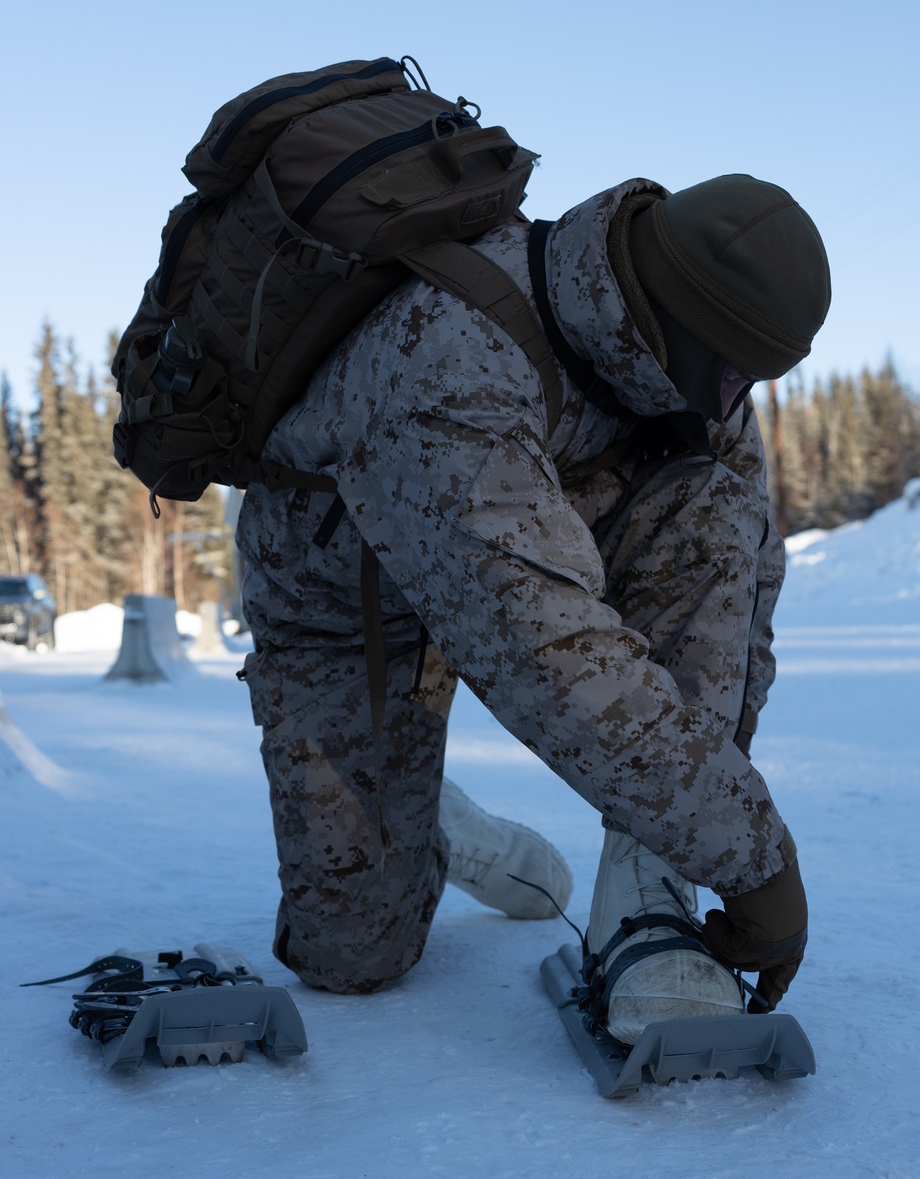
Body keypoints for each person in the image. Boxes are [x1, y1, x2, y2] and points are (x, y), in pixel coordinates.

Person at [236, 174, 831, 1042]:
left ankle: (647, 896)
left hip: (522, 553)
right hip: (346, 597)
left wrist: (709, 813)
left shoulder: (699, 379)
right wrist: (755, 858)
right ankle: (433, 814)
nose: (737, 401)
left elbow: (749, 584)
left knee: (711, 509)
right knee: (351, 954)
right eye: (737, 372)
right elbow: (548, 655)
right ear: (678, 318)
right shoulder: (450, 353)